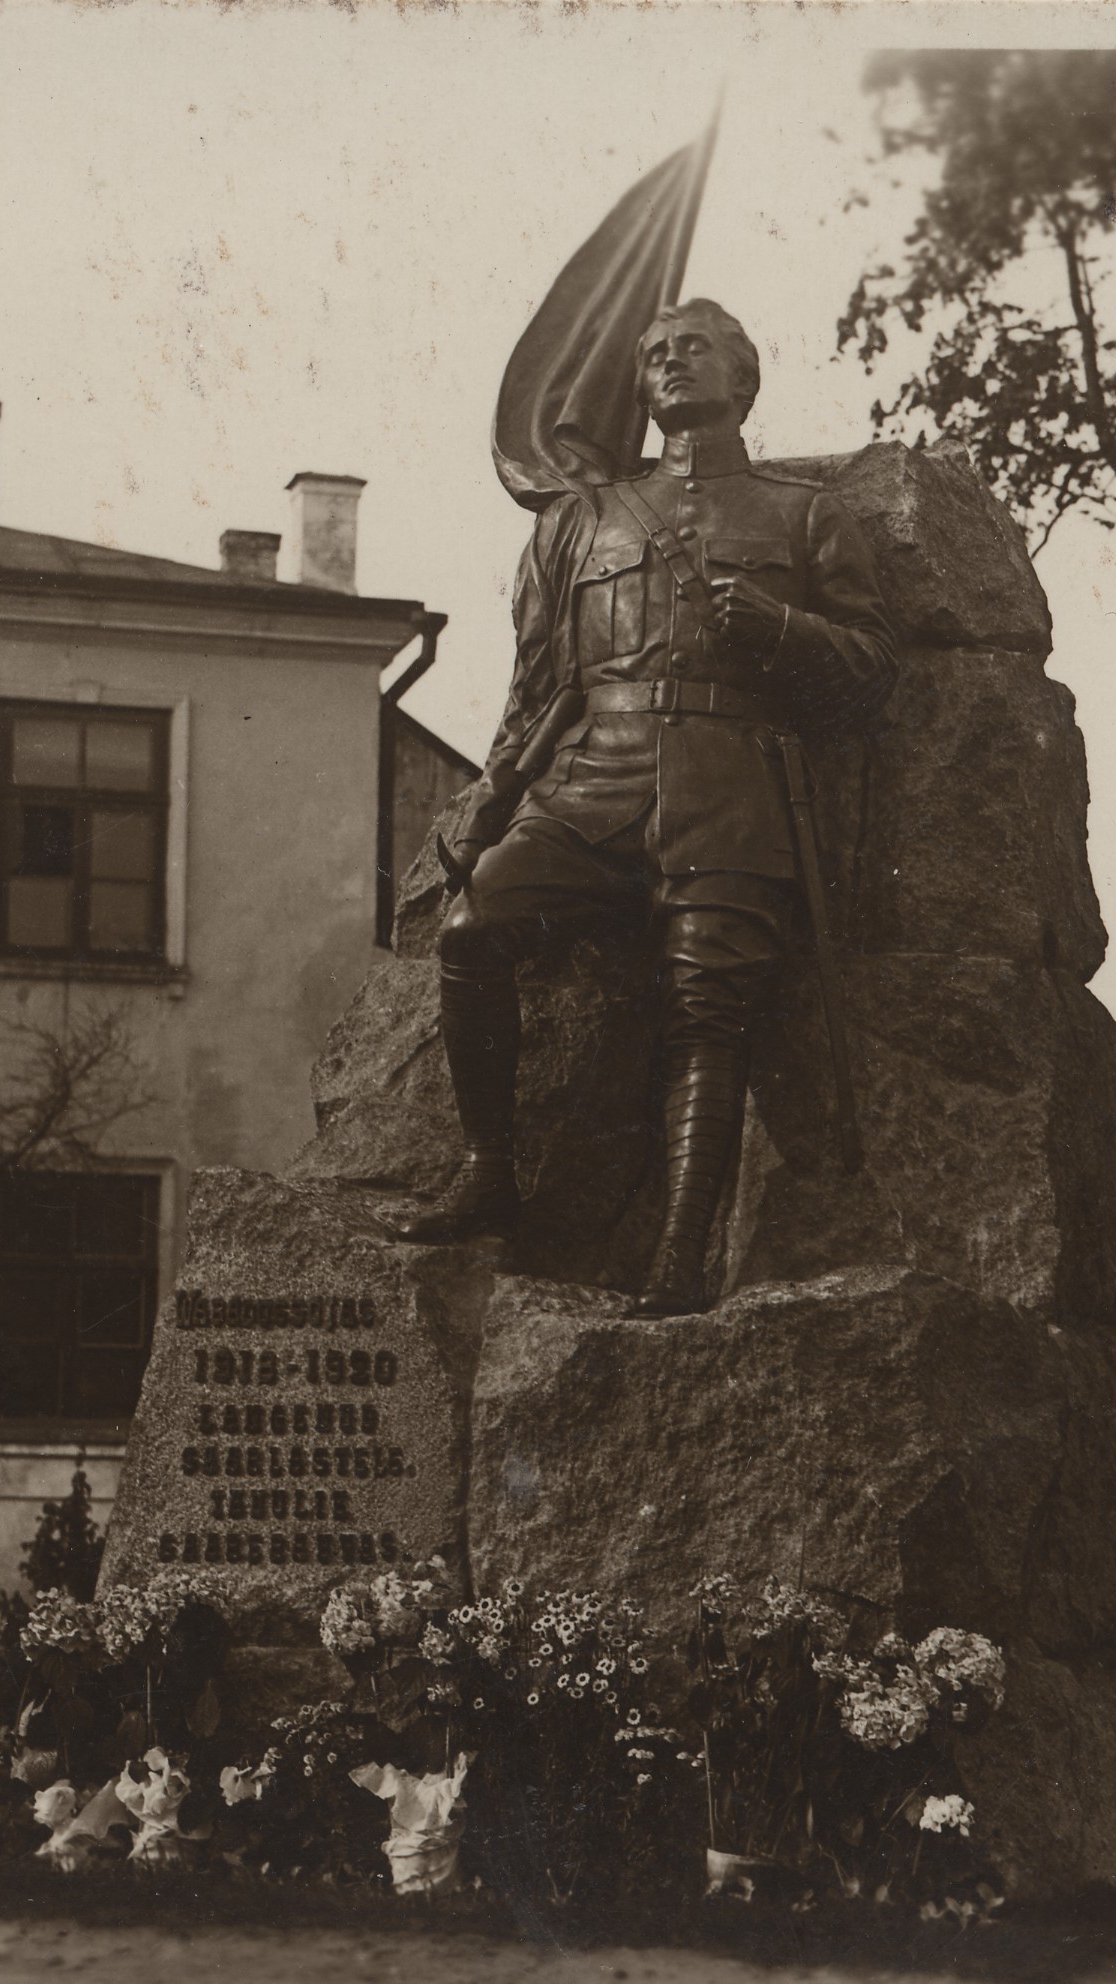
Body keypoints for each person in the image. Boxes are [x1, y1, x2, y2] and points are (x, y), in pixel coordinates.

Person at [392, 298, 896, 1319]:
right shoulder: (577, 522)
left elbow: (870, 675)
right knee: (472, 930)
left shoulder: (807, 516)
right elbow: (537, 687)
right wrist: (487, 803)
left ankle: (677, 1260)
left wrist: (780, 627)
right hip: (594, 772)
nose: (670, 363)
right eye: (655, 354)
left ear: (743, 377)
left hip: (734, 780)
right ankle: (489, 1169)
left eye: (693, 348)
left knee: (709, 1011)